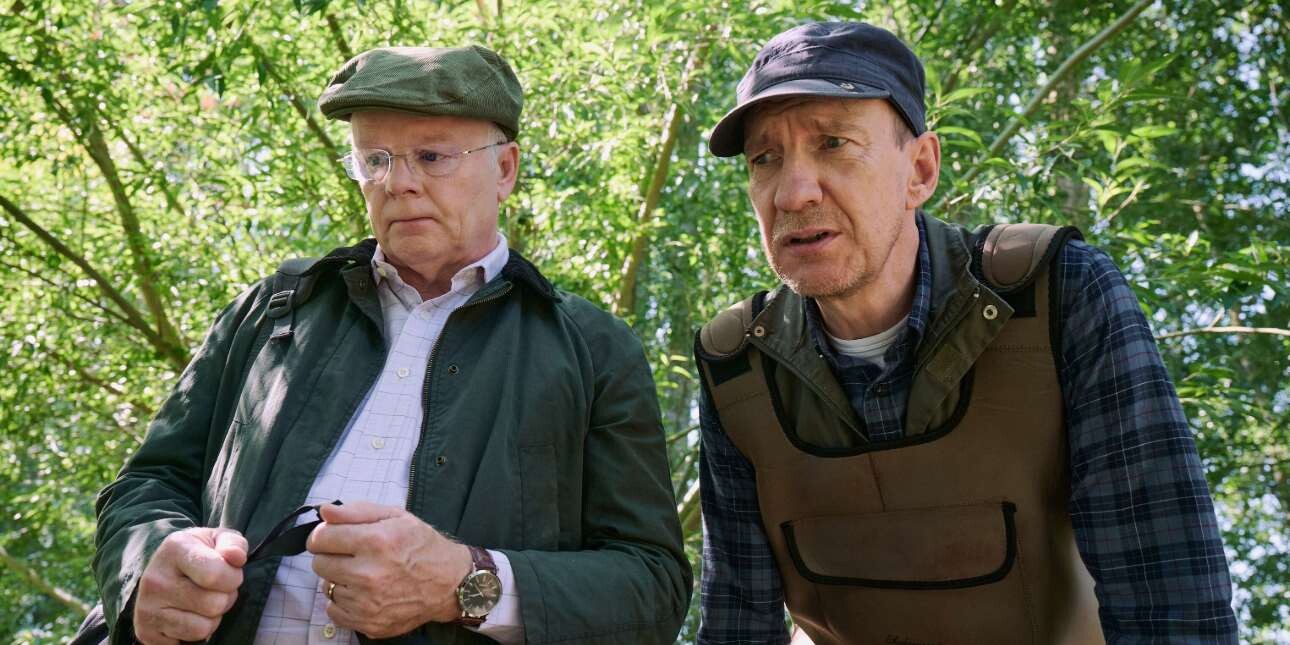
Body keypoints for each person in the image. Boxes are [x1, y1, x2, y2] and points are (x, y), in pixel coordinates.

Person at [90, 45, 691, 645]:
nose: (398, 183)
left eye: (432, 156)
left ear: (505, 169)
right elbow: (148, 483)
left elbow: (653, 588)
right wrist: (147, 565)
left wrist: (465, 583)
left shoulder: (591, 350)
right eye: (374, 159)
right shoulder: (274, 311)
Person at [693, 21, 1238, 644]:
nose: (793, 192)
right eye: (766, 159)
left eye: (835, 143)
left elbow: (1171, 600)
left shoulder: (1058, 294)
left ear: (920, 170)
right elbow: (738, 625)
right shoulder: (737, 365)